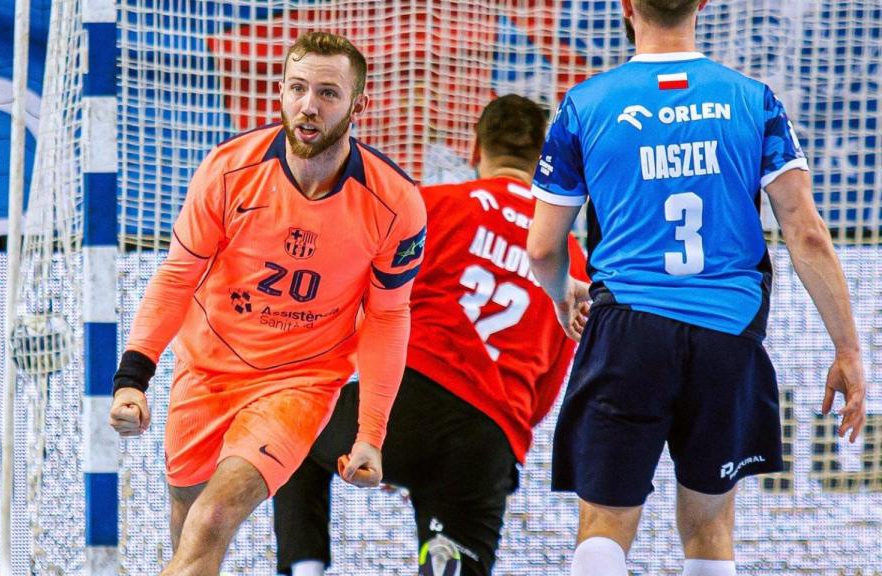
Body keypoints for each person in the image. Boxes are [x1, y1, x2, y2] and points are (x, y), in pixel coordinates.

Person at [526, 1, 867, 575]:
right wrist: (849, 349)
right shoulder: (753, 100)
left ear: (627, 6)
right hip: (727, 337)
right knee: (710, 528)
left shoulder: (585, 104)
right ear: (703, 4)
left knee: (605, 525)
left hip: (626, 332)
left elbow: (542, 247)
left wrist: (565, 290)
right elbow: (806, 234)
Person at [107, 32, 426, 576]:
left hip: (299, 381)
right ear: (279, 92)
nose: (309, 105)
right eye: (298, 88)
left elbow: (389, 316)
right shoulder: (228, 171)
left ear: (358, 105)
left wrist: (371, 435)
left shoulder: (395, 204)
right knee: (189, 537)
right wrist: (133, 377)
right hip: (206, 371)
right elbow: (178, 275)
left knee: (212, 520)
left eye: (328, 93)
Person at [273, 94, 588, 576]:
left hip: (409, 400)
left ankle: (305, 566)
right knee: (458, 547)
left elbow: (365, 295)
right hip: (490, 434)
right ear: (544, 157)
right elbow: (548, 389)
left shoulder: (433, 204)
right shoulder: (569, 255)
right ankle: (447, 554)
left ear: (475, 147)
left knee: (289, 420)